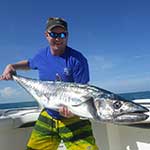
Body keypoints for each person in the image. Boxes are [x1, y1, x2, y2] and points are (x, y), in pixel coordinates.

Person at [0, 17, 98, 150]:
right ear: (47, 35)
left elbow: (83, 93)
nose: (58, 38)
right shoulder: (41, 55)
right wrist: (12, 66)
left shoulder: (78, 60)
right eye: (54, 34)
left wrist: (73, 112)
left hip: (74, 117)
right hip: (49, 113)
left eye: (62, 34)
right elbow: (29, 63)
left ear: (67, 36)